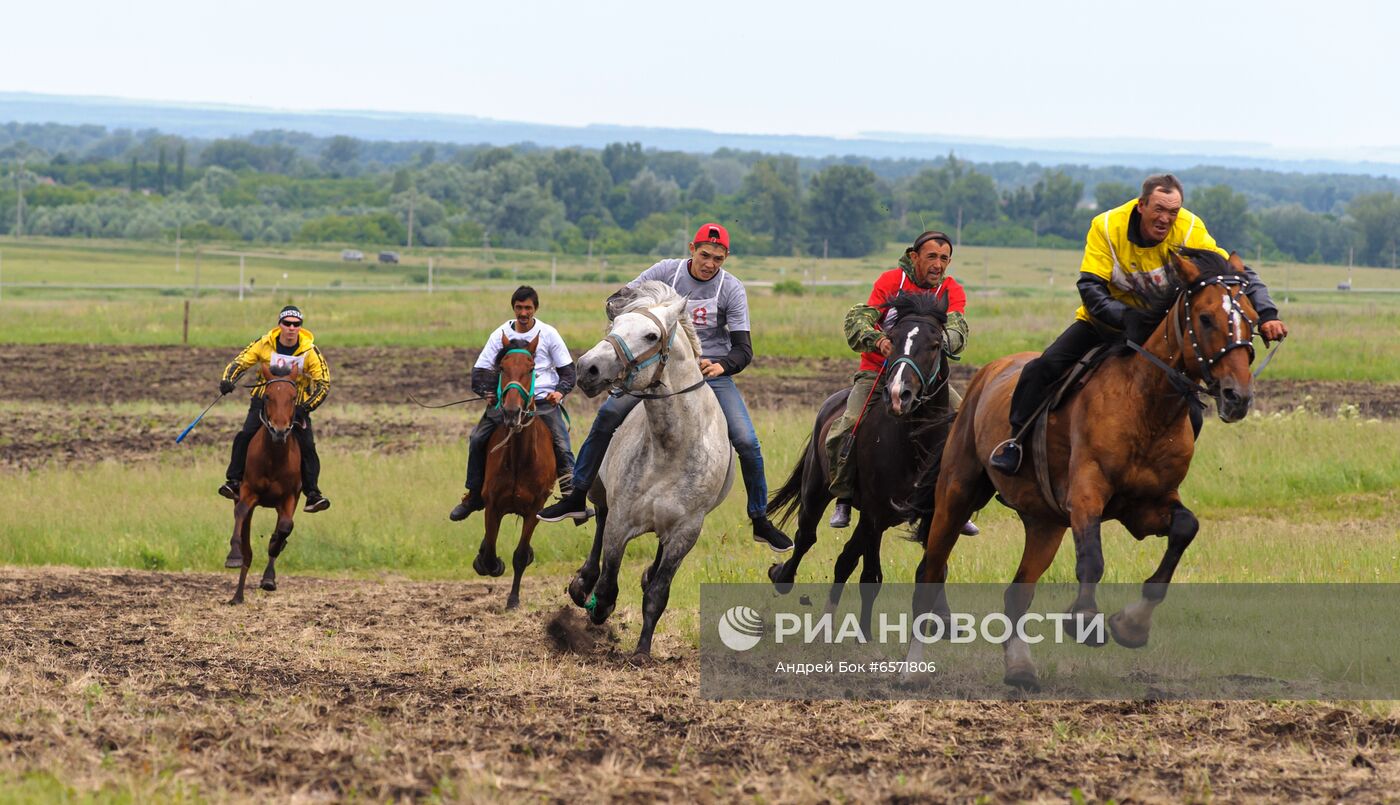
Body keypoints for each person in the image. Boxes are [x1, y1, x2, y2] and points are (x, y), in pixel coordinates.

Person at [988, 174, 1289, 474]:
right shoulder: (1106, 226)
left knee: (1193, 411)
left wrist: (1267, 314)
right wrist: (1124, 318)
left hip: (1161, 331)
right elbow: (1090, 287)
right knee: (1042, 368)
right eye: (1159, 209)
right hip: (1106, 322)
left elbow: (1234, 276)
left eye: (1173, 212)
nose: (1166, 218)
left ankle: (1165, 473)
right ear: (1141, 205)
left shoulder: (1189, 228)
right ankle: (1015, 443)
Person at [537, 223, 794, 553]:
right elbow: (617, 301)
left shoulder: (732, 289)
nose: (710, 263)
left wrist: (722, 366)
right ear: (692, 249)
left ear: (726, 257)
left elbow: (744, 350)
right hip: (654, 366)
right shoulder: (664, 272)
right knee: (607, 416)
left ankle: (760, 519)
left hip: (709, 373)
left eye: (718, 258)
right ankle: (575, 496)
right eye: (705, 255)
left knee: (747, 441)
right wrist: (639, 319)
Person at [826, 230, 978, 533]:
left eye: (944, 258)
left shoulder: (951, 290)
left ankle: (962, 502)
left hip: (926, 380)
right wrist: (878, 340)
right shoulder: (890, 282)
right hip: (878, 372)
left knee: (969, 427)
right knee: (846, 425)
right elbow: (859, 320)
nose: (938, 264)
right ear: (914, 257)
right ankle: (843, 495)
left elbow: (958, 329)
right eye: (931, 257)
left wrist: (936, 342)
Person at [449, 286, 578, 521]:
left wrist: (559, 393)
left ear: (535, 309)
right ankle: (474, 495)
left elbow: (569, 372)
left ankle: (571, 497)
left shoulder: (548, 334)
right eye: (519, 307)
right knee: (477, 438)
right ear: (513, 308)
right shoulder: (499, 335)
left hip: (542, 401)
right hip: (507, 401)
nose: (523, 312)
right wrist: (488, 392)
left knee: (561, 442)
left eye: (528, 308)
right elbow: (480, 370)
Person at [218, 305, 332, 512]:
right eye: (287, 324)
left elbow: (323, 383)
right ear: (279, 325)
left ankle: (312, 493)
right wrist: (228, 380)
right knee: (245, 436)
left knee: (307, 446)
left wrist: (306, 407)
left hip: (295, 407)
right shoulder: (264, 344)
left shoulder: (310, 351)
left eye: (296, 325)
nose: (291, 328)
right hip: (265, 402)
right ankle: (234, 481)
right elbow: (240, 362)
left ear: (300, 327)